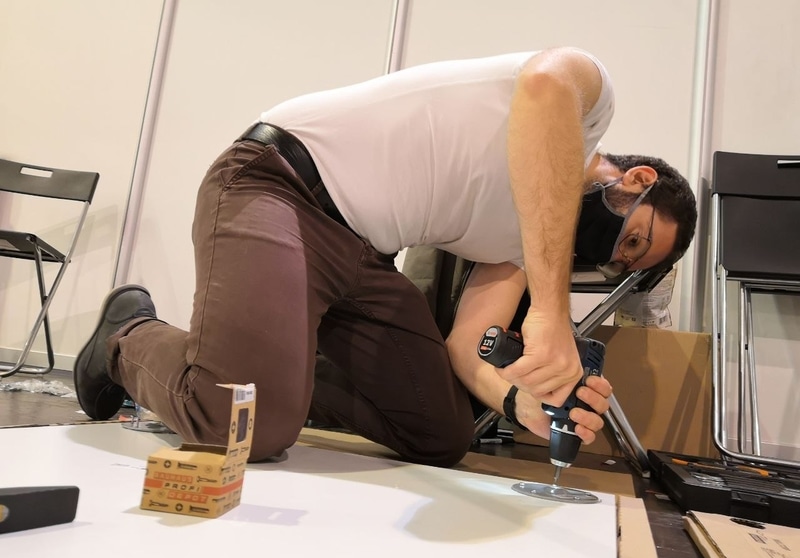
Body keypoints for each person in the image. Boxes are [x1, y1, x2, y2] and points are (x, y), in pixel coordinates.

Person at [74, 47, 697, 465]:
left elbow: (466, 344)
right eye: (633, 239)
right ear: (637, 179)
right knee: (243, 429)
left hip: (362, 259)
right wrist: (551, 316)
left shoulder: (520, 248)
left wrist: (519, 400)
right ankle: (124, 337)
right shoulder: (587, 99)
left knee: (442, 433)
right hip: (279, 185)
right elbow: (541, 85)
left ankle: (256, 372)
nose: (609, 254)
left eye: (623, 263)